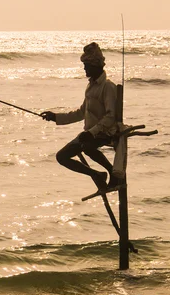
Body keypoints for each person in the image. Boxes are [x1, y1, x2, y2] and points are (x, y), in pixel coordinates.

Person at [41, 42, 122, 191]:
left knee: (87, 146)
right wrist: (55, 117)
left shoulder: (108, 87)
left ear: (95, 66)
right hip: (89, 134)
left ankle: (113, 174)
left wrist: (92, 133)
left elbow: (111, 116)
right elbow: (80, 113)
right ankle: (97, 174)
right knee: (62, 157)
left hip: (104, 133)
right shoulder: (90, 87)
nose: (84, 68)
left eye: (87, 65)